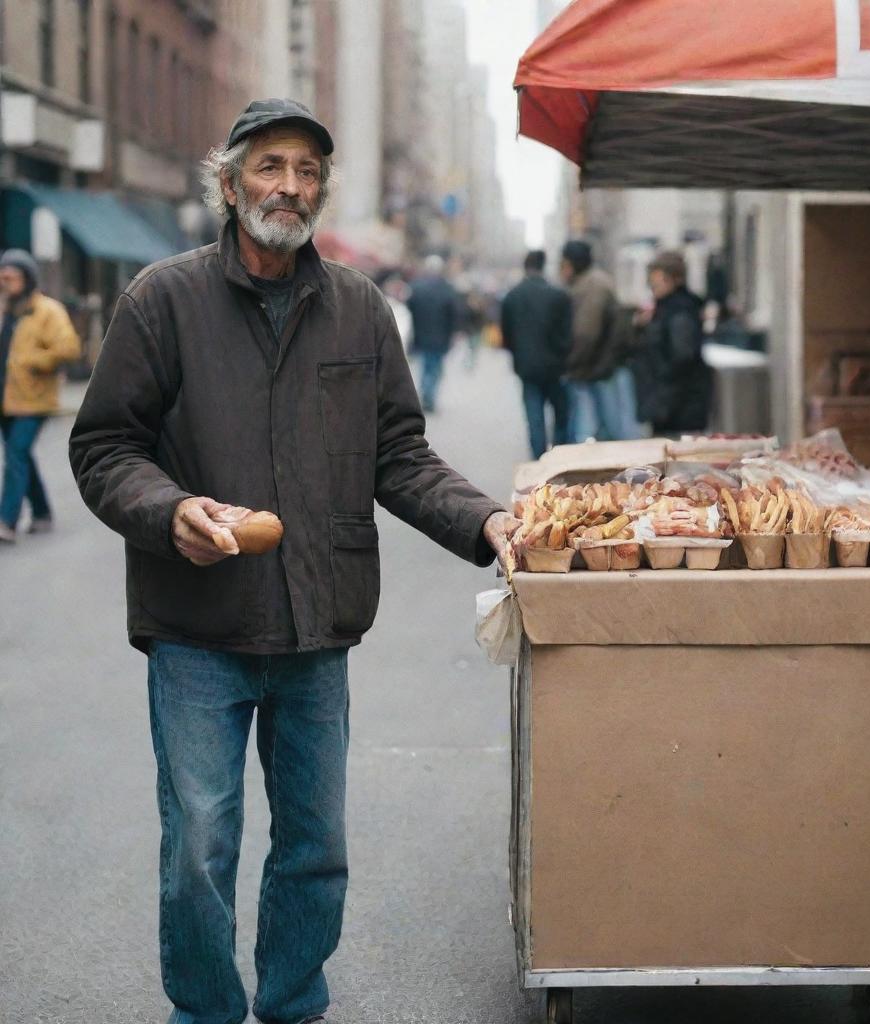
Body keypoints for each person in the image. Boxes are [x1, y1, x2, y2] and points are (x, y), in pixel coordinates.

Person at [68, 98, 519, 1024]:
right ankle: (204, 1010)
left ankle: (293, 1003)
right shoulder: (163, 299)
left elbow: (399, 454)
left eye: (308, 170)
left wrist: (488, 525)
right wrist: (170, 510)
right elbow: (106, 445)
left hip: (317, 621)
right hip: (199, 620)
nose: (291, 185)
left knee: (315, 843)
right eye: (271, 166)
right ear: (230, 184)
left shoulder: (356, 308)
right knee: (199, 840)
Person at [0, 249, 81, 544]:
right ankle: (42, 513)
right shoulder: (4, 310)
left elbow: (69, 347)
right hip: (6, 398)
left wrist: (31, 360)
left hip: (33, 398)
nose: (6, 284)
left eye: (12, 278)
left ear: (28, 279)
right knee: (19, 455)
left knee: (16, 454)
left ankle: (6, 520)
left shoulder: (47, 310)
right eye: (2, 278)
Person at [501, 250, 573, 460]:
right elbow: (567, 334)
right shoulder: (558, 295)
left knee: (534, 416)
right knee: (561, 414)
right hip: (555, 366)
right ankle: (558, 456)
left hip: (526, 365)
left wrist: (517, 354)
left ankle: (539, 459)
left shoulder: (512, 296)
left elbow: (507, 334)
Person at [632, 250, 711, 436]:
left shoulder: (680, 312)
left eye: (658, 279)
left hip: (677, 410)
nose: (652, 284)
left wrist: (662, 399)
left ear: (674, 279)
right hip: (666, 405)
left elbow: (682, 357)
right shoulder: (664, 310)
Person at [559, 239, 627, 442]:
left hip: (597, 366)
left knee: (598, 425)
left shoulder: (592, 286)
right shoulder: (591, 282)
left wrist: (572, 363)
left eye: (564, 265)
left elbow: (586, 333)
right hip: (598, 364)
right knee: (605, 423)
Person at [406, 254, 458, 412]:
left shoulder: (416, 287)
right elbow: (453, 313)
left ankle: (427, 393)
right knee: (434, 367)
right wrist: (453, 334)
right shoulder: (447, 288)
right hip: (441, 336)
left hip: (422, 334)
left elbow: (410, 309)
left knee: (426, 365)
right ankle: (429, 395)